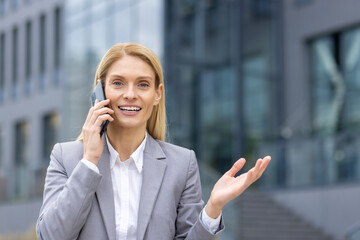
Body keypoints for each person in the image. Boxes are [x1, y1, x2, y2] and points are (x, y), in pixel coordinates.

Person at [36, 42, 271, 240]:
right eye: (118, 83)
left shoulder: (182, 163)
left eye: (143, 84)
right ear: (100, 88)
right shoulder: (66, 158)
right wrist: (89, 162)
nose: (130, 94)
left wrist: (213, 208)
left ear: (157, 94)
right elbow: (51, 235)